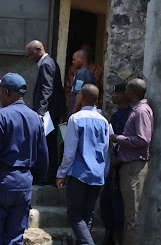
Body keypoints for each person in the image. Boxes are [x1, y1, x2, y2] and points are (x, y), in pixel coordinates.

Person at [0, 73, 48, 245]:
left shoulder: (2, 116)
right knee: (14, 238)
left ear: (7, 93)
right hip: (23, 183)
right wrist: (34, 178)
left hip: (2, 180)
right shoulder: (35, 119)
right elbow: (42, 155)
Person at [56, 84, 110, 245]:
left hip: (79, 173)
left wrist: (61, 173)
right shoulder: (104, 121)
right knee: (86, 216)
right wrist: (104, 175)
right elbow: (105, 151)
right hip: (97, 174)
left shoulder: (75, 118)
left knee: (75, 215)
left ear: (80, 97)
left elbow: (70, 151)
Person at [110, 79, 153, 245]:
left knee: (134, 215)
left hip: (135, 167)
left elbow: (143, 140)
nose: (124, 91)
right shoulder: (136, 110)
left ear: (133, 92)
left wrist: (118, 138)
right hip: (129, 166)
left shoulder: (142, 111)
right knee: (129, 214)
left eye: (127, 89)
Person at [97, 83, 132, 245]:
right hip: (111, 164)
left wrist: (117, 160)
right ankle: (108, 238)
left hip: (121, 164)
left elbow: (129, 140)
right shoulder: (117, 115)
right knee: (107, 202)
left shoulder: (130, 115)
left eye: (117, 93)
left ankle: (120, 242)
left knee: (119, 205)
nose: (113, 96)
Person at [25, 40, 65, 185]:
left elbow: (46, 89)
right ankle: (48, 174)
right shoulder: (49, 62)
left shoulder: (47, 64)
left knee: (46, 144)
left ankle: (47, 175)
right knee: (49, 143)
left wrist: (41, 112)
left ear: (39, 50)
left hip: (48, 113)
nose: (30, 58)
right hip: (51, 111)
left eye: (31, 54)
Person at [64, 44, 104, 109]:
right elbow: (68, 87)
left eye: (88, 51)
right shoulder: (74, 69)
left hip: (84, 106)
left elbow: (78, 94)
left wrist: (73, 111)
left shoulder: (97, 69)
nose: (73, 62)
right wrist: (68, 103)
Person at [67, 49, 97, 118]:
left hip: (79, 112)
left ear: (82, 59)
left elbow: (79, 93)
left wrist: (73, 112)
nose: (73, 62)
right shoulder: (89, 73)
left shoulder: (81, 74)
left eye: (74, 60)